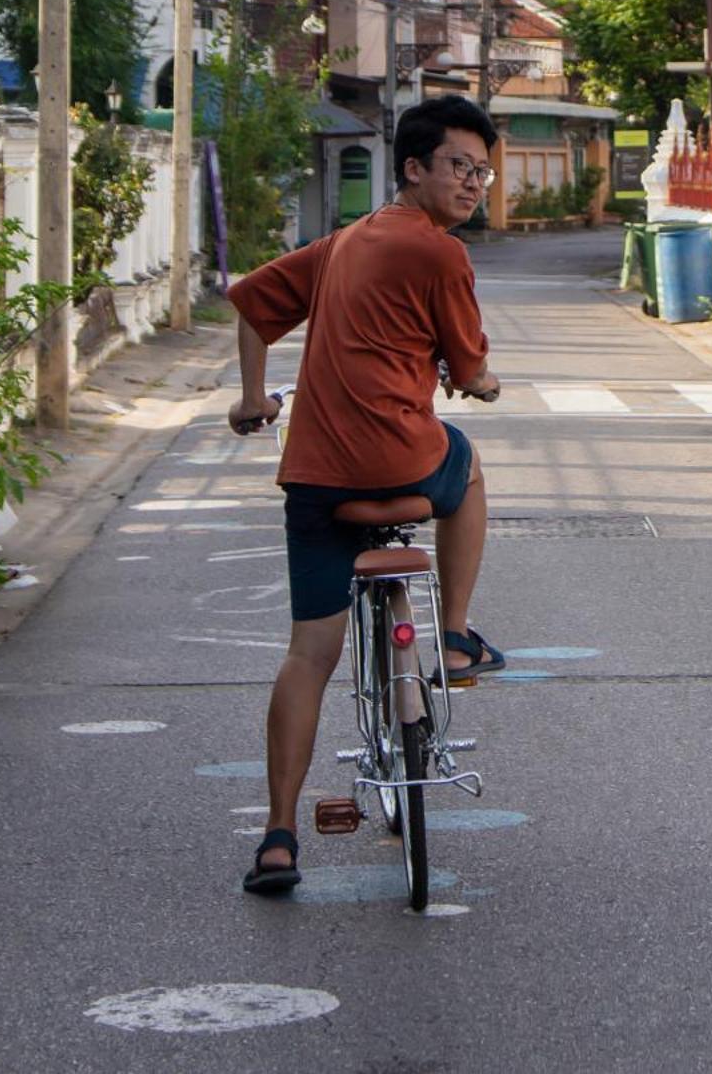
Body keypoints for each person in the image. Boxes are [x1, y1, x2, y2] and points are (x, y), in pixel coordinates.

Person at [227, 95, 504, 895]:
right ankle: (451, 635)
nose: (472, 183)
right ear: (413, 167)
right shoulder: (439, 253)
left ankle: (278, 836)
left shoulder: (340, 243)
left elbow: (250, 302)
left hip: (316, 479)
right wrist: (479, 383)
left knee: (307, 654)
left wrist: (253, 400)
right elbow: (471, 365)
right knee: (469, 463)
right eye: (459, 166)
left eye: (481, 171)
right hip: (406, 471)